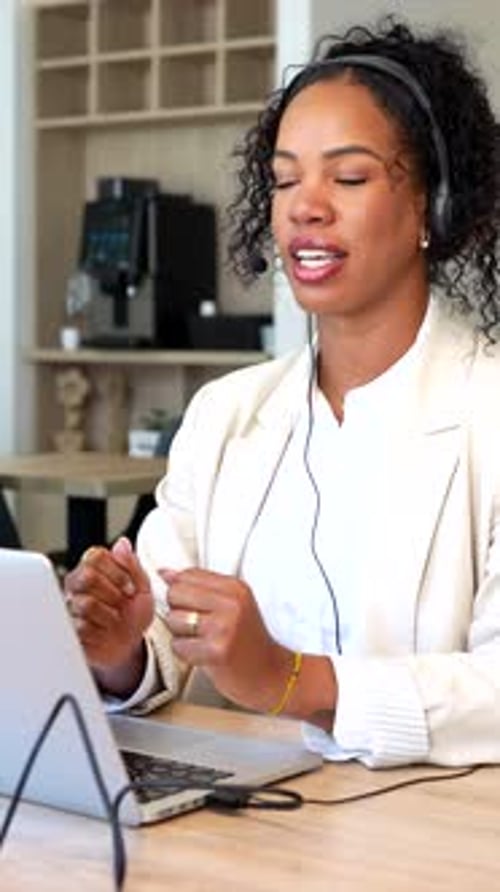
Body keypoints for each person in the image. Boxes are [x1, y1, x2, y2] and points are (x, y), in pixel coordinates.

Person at [65, 17, 500, 768]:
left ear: (434, 207)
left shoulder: (487, 411)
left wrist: (295, 681)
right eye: (286, 178)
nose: (306, 205)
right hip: (246, 834)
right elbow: (171, 645)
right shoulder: (226, 415)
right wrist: (123, 651)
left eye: (350, 177)